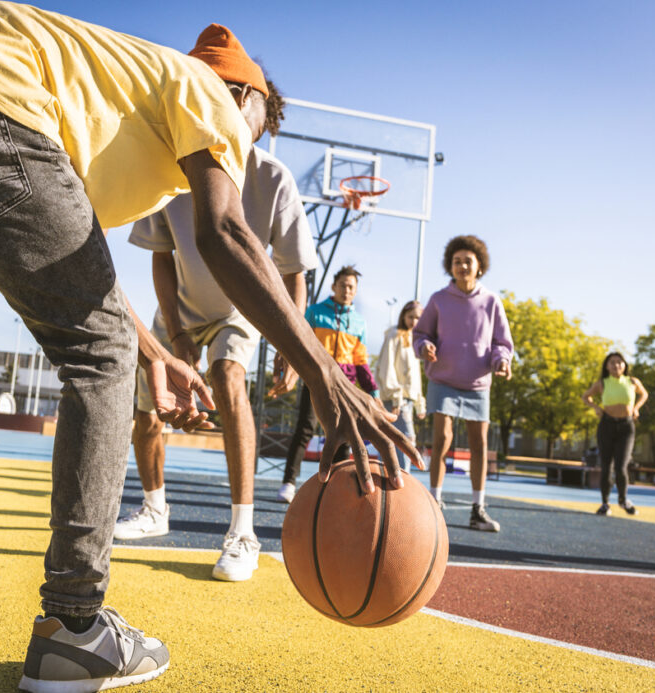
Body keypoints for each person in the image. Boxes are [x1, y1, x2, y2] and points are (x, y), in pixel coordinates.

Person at [0, 6, 419, 692]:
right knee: (99, 357)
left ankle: (76, 624)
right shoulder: (208, 90)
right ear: (246, 98)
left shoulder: (111, 100)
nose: (247, 153)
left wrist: (153, 351)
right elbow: (223, 232)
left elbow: (75, 265)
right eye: (258, 133)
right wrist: (328, 378)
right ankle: (73, 628)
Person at [115, 79, 317, 583]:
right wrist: (176, 338)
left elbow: (294, 273)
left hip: (238, 310)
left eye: (232, 90)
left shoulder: (273, 179)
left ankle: (242, 532)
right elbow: (162, 259)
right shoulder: (176, 172)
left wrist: (293, 345)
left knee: (229, 378)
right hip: (179, 306)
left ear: (256, 108)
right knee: (147, 411)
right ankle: (155, 508)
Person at [414, 235, 513, 532]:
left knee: (479, 445)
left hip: (478, 382)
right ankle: (434, 502)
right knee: (442, 439)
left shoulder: (492, 301)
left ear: (479, 266)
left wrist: (501, 360)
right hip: (443, 379)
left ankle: (477, 509)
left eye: (467, 261)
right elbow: (420, 334)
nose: (462, 265)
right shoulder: (438, 299)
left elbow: (502, 343)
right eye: (456, 261)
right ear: (450, 266)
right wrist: (424, 347)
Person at [276, 266, 390, 503]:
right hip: (316, 380)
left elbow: (361, 361)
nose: (347, 290)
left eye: (351, 287)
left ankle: (338, 487)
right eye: (343, 285)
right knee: (305, 428)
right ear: (334, 286)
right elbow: (300, 343)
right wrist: (291, 370)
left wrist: (373, 392)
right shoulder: (316, 312)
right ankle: (288, 482)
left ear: (355, 291)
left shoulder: (359, 322)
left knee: (344, 434)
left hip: (346, 387)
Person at [581, 352, 649, 516]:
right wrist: (596, 408)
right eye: (612, 362)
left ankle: (623, 500)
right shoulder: (602, 383)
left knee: (621, 467)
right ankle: (605, 504)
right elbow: (586, 396)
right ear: (606, 366)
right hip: (607, 426)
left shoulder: (632, 382)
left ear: (625, 365)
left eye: (619, 362)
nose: (616, 365)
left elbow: (644, 394)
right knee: (606, 466)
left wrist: (636, 408)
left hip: (626, 427)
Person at [376, 300, 426, 472]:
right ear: (403, 316)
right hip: (396, 399)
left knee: (396, 439)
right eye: (410, 316)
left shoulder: (416, 340)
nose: (414, 321)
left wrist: (420, 402)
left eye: (418, 318)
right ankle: (401, 477)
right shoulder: (394, 335)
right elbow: (386, 366)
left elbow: (415, 375)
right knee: (406, 438)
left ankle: (394, 476)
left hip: (409, 400)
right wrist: (395, 396)